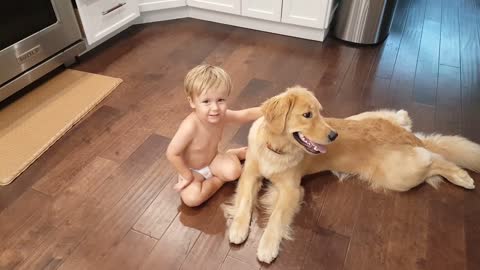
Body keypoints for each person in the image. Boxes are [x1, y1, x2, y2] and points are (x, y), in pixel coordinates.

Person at [166, 64, 262, 207]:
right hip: (193, 171)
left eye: (221, 100)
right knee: (192, 200)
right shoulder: (190, 126)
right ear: (192, 102)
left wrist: (272, 110)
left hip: (212, 160)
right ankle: (221, 178)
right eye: (206, 101)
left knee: (234, 172)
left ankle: (232, 155)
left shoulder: (222, 116)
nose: (215, 108)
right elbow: (172, 153)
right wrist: (186, 176)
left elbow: (245, 115)